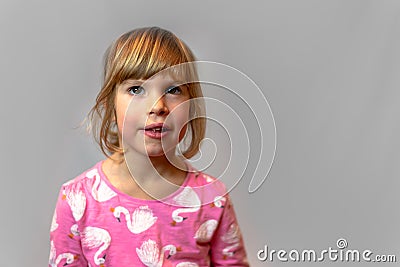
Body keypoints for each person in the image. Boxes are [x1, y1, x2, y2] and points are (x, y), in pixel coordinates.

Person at [49, 26, 249, 267]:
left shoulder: (212, 199)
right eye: (136, 89)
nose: (157, 106)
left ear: (191, 107)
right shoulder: (77, 199)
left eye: (173, 90)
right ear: (111, 108)